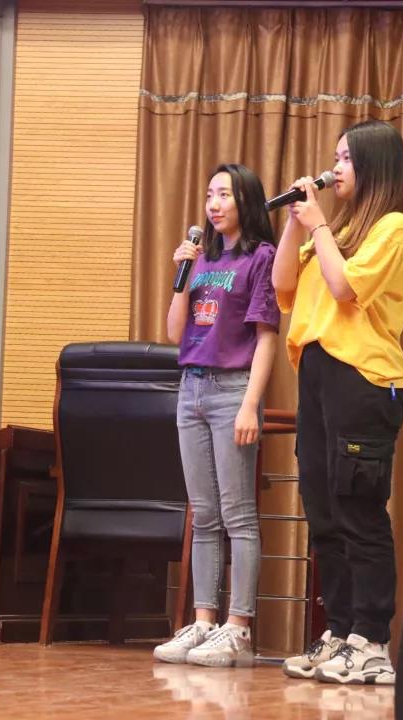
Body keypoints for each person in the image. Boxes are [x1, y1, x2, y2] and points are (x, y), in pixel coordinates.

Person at [271, 120, 403, 685]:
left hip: (365, 378)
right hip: (317, 375)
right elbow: (284, 286)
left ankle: (372, 641)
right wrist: (295, 224)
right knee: (324, 514)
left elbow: (345, 288)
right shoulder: (337, 229)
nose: (334, 170)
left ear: (374, 165)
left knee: (359, 511)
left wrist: (319, 226)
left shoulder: (393, 228)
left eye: (346, 159)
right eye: (334, 158)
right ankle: (340, 631)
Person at [153, 163, 280, 668]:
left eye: (224, 194)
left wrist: (251, 402)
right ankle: (204, 621)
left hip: (232, 388)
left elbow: (266, 337)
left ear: (245, 201)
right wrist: (181, 278)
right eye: (210, 194)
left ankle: (238, 628)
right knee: (202, 513)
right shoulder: (201, 259)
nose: (214, 204)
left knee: (238, 514)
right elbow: (174, 331)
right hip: (192, 388)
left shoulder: (261, 257)